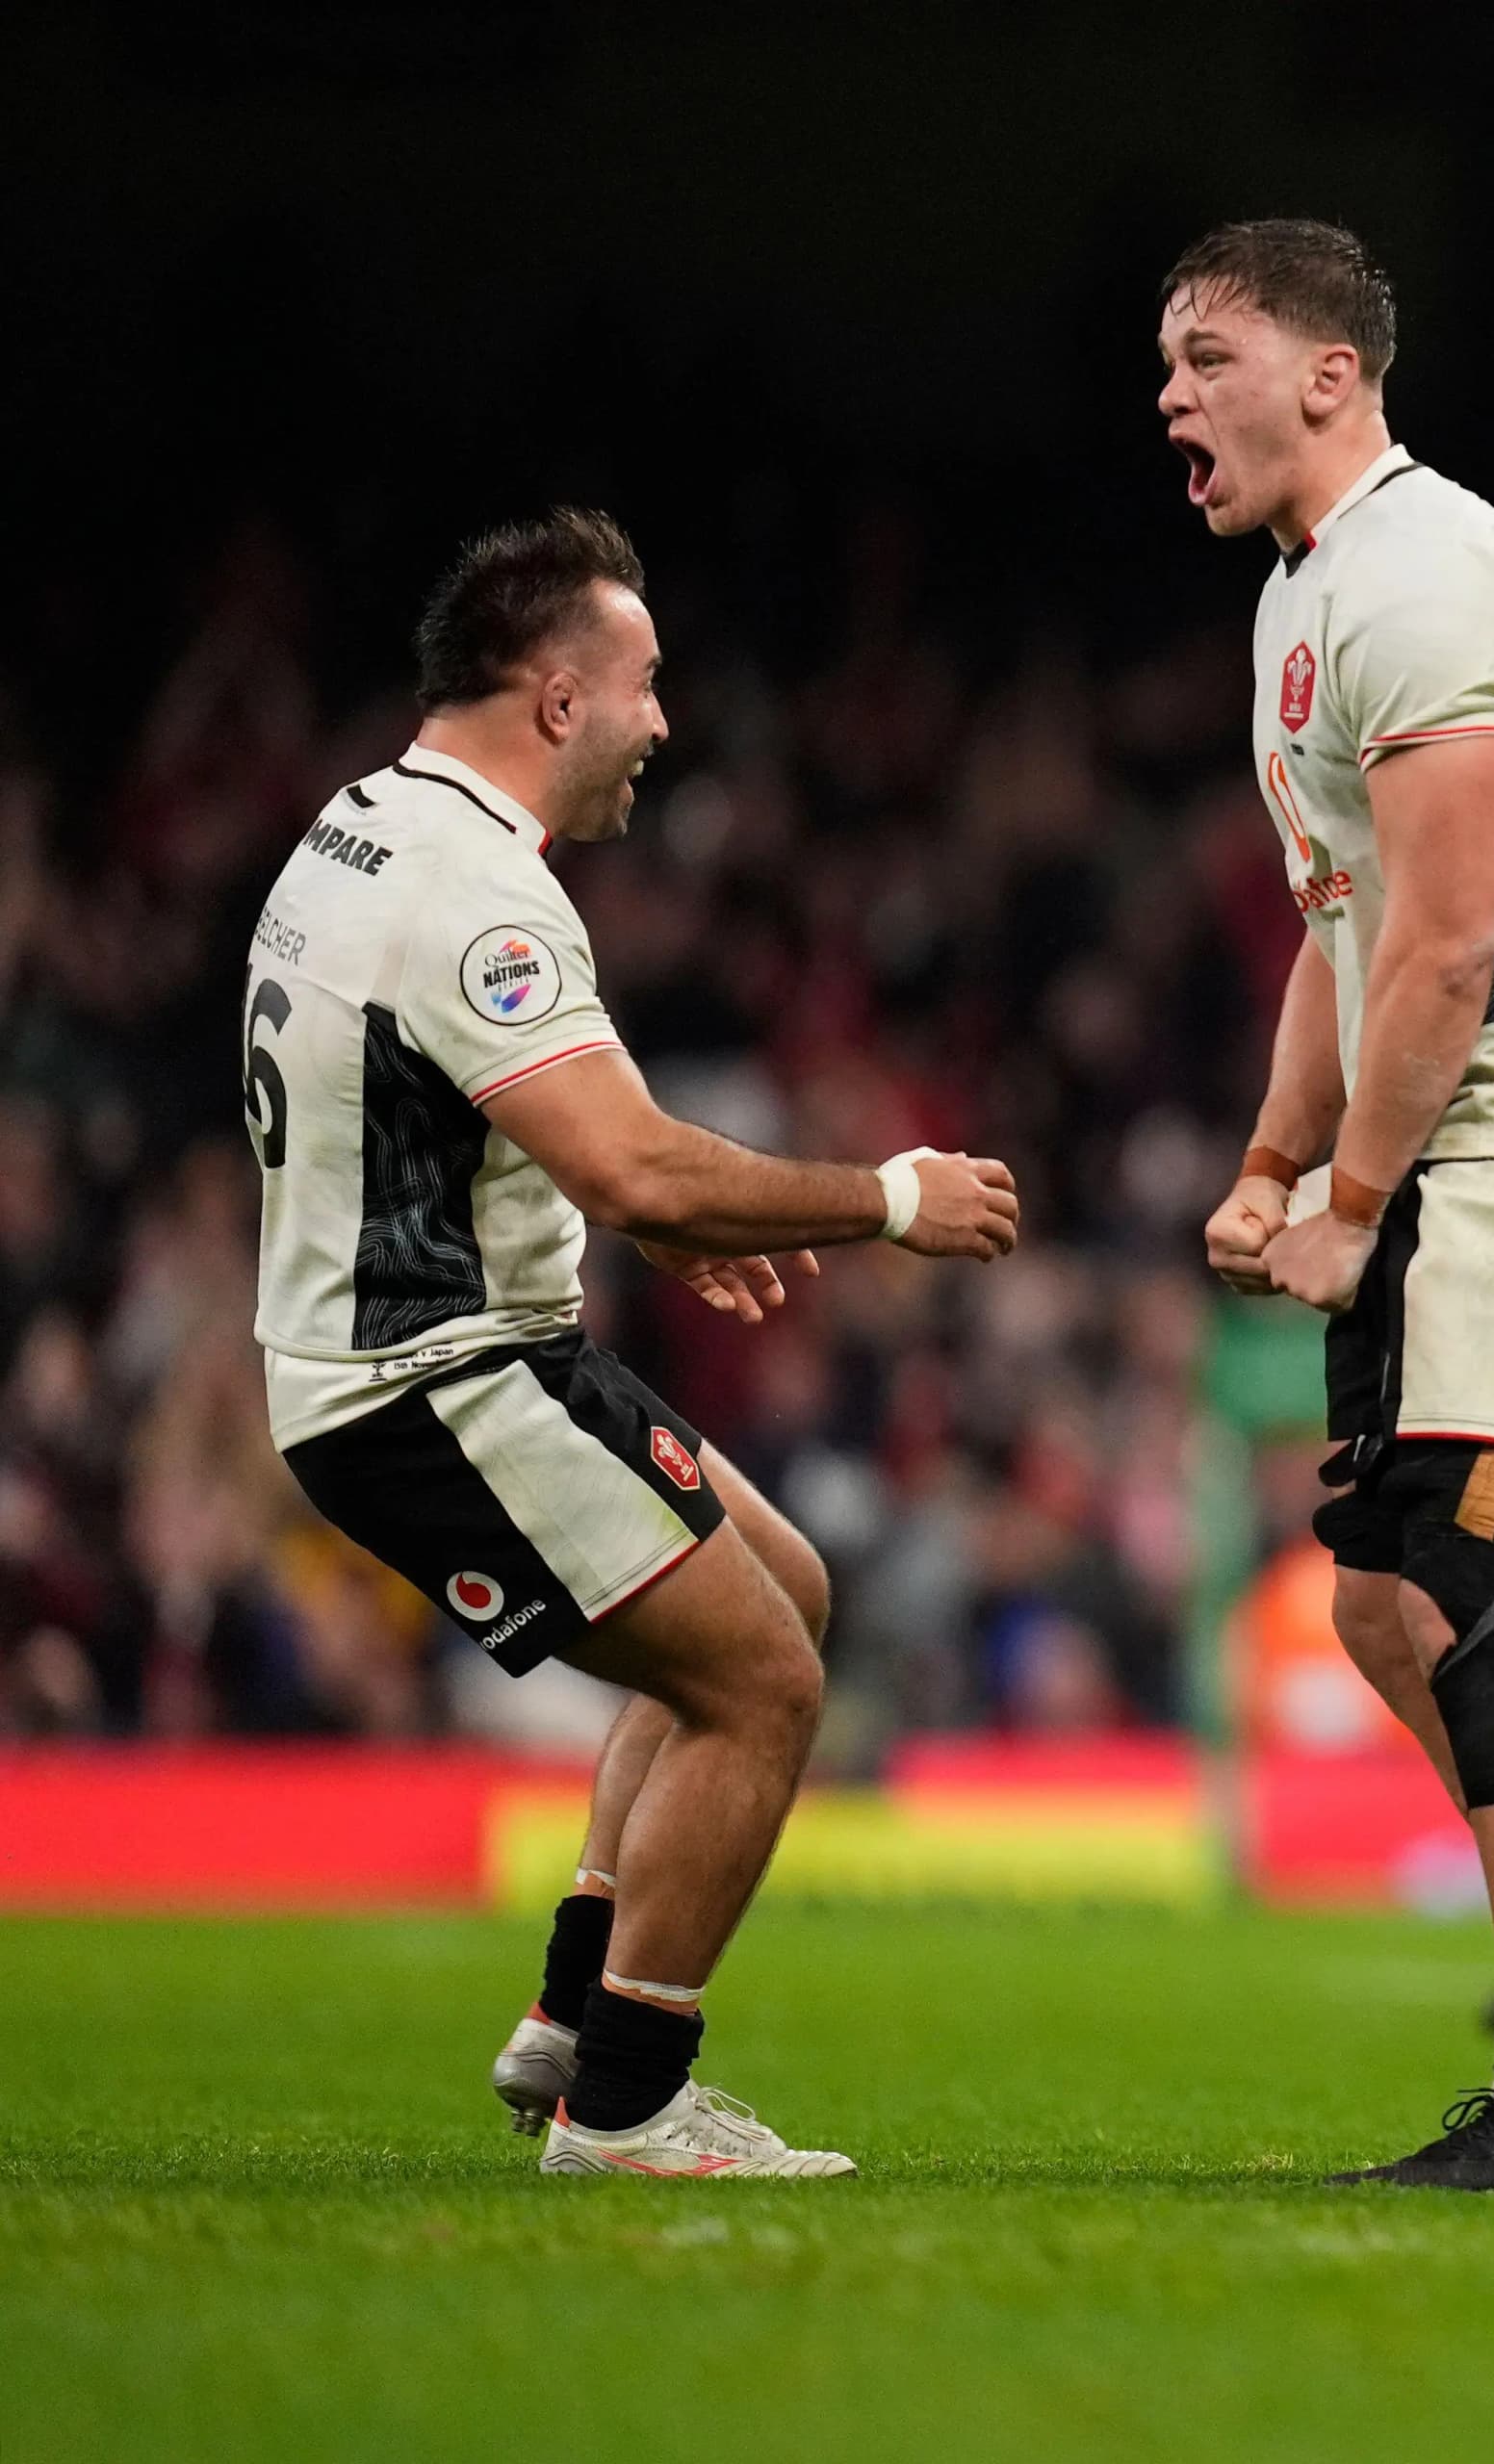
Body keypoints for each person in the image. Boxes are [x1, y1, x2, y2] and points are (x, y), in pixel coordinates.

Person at [246, 509, 1023, 2178]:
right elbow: (632, 1153)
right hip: (434, 1384)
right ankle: (628, 2103)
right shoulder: (479, 897)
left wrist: (644, 1205)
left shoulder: (361, 828)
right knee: (764, 1686)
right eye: (645, 684)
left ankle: (564, 2018)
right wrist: (886, 1198)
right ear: (554, 700)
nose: (664, 724)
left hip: (472, 1346)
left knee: (784, 1588)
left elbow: (442, 1105)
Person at [1165, 218, 1494, 2189]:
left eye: (1205, 353)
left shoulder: (1427, 572)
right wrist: (1266, 1161)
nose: (1169, 395)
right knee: (1392, 1603)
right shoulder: (1309, 597)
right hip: (1455, 1160)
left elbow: (1453, 945)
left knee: (1465, 1600)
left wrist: (1357, 1188)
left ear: (1330, 374)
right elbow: (1344, 928)